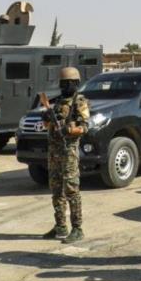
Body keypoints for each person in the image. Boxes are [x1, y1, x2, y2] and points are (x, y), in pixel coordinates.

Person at [41, 67, 90, 244]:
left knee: (71, 189)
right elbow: (49, 126)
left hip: (68, 151)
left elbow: (85, 126)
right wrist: (46, 118)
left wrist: (68, 129)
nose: (65, 86)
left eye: (68, 83)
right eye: (62, 83)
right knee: (55, 189)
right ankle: (60, 225)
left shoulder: (80, 101)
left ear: (76, 83)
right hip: (54, 152)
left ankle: (77, 228)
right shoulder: (59, 101)